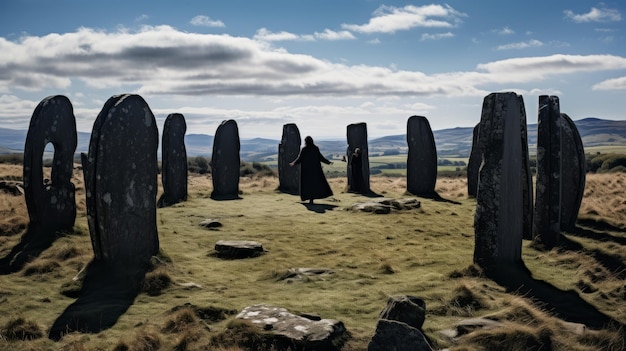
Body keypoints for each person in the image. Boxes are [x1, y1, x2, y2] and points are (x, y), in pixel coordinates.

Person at [289, 136, 333, 204]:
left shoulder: (304, 149)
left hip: (306, 170)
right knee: (315, 184)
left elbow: (300, 158)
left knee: (307, 185)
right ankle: (312, 198)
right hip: (315, 170)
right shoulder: (315, 148)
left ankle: (309, 198)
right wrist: (328, 162)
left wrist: (293, 163)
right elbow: (320, 157)